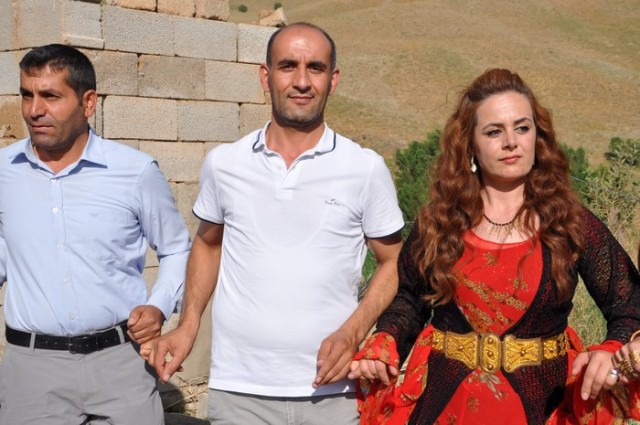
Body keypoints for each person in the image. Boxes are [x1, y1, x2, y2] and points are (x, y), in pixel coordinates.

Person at [349, 68, 640, 424]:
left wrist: (613, 349)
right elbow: (409, 299)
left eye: (522, 128)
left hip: (543, 407)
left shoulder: (571, 223)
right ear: (470, 144)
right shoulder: (439, 222)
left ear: (538, 137)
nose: (511, 142)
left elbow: (629, 304)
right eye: (494, 132)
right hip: (446, 407)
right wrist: (387, 340)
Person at [148, 22, 404, 425]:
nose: (301, 81)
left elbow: (393, 262)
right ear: (265, 77)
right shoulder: (225, 163)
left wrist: (354, 332)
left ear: (333, 79)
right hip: (239, 393)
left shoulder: (364, 168)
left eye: (315, 68)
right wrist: (188, 324)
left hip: (332, 392)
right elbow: (208, 244)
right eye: (288, 66)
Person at [0, 44, 190, 424]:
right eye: (27, 95)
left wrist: (159, 305)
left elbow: (176, 249)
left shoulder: (135, 172)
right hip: (32, 373)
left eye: (51, 96)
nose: (34, 110)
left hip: (122, 364)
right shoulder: (4, 171)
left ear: (88, 103)